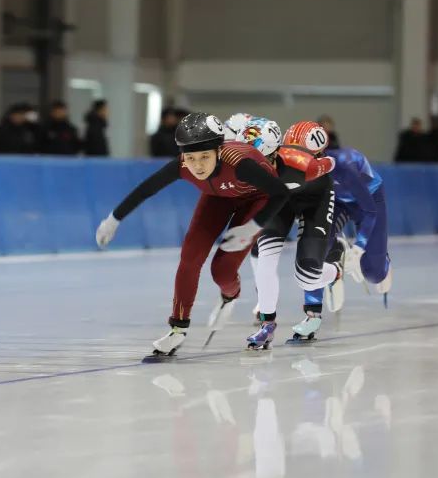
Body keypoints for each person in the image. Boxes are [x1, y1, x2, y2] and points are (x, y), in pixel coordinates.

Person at [95, 112, 291, 363]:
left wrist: (253, 227)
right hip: (217, 198)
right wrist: (113, 219)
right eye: (191, 157)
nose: (197, 165)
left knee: (221, 271)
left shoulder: (239, 162)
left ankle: (231, 294)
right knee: (190, 256)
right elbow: (146, 189)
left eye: (205, 157)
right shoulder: (182, 165)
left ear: (219, 151)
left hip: (255, 200)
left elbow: (280, 193)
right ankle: (177, 328)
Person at [241, 121, 344, 351]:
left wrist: (322, 162)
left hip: (314, 200)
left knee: (306, 277)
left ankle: (336, 269)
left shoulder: (302, 163)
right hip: (283, 202)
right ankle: (267, 324)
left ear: (274, 153)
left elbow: (331, 162)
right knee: (265, 255)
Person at [291, 145, 392, 343]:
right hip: (335, 202)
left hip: (369, 201)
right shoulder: (297, 170)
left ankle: (382, 261)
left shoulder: (345, 166)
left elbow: (370, 212)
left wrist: (359, 247)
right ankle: (312, 315)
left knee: (373, 273)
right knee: (312, 246)